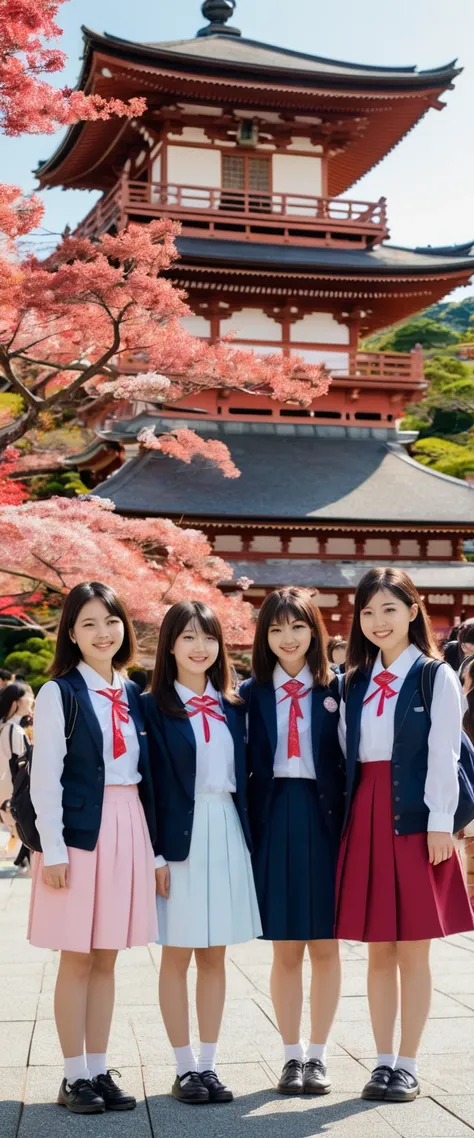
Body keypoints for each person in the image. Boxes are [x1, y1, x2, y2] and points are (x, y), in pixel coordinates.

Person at [336, 566, 474, 1105]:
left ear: (414, 611)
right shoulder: (355, 679)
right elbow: (349, 755)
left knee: (414, 949)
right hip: (368, 813)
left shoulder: (433, 675)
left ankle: (408, 1063)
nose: (377, 621)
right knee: (378, 949)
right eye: (367, 612)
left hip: (417, 819)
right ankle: (381, 1061)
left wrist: (442, 823)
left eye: (389, 609)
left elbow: (444, 751)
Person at [28, 581, 158, 1116]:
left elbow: (147, 777)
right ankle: (72, 1075)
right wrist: (53, 849)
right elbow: (44, 777)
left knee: (107, 956)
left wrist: (154, 854)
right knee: (76, 957)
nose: (102, 633)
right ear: (71, 635)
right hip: (80, 831)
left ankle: (99, 1068)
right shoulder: (58, 692)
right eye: (88, 624)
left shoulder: (133, 692)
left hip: (129, 822)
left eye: (111, 621)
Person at [143, 601, 261, 1106]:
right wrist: (155, 856)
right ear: (170, 644)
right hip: (179, 838)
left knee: (216, 955)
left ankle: (210, 1066)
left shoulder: (235, 705)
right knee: (177, 952)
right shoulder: (151, 705)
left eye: (208, 637)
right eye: (188, 637)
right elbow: (148, 786)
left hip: (226, 827)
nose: (199, 647)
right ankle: (183, 1067)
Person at [241, 588, 344, 1098]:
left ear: (314, 631)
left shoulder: (339, 689)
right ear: (265, 635)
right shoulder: (249, 693)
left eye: (298, 627)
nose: (288, 638)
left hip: (325, 819)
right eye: (277, 629)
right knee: (285, 948)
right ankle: (289, 1057)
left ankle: (319, 1057)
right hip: (275, 814)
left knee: (325, 945)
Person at [0, 682, 34, 865]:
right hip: (17, 794)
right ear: (17, 702)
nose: (32, 699)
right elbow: (18, 767)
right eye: (28, 695)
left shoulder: (8, 727)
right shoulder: (13, 730)